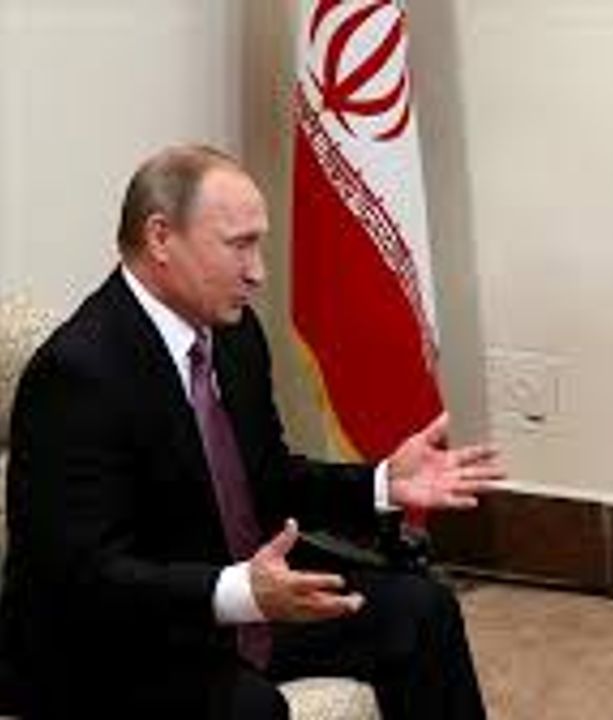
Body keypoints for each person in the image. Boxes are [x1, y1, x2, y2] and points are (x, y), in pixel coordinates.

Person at [0, 145, 506, 719]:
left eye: (258, 245)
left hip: (239, 603)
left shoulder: (234, 334)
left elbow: (266, 477)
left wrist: (382, 482)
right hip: (115, 642)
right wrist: (239, 591)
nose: (258, 271)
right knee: (252, 709)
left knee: (422, 610)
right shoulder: (79, 373)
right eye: (239, 245)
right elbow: (84, 575)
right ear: (161, 237)